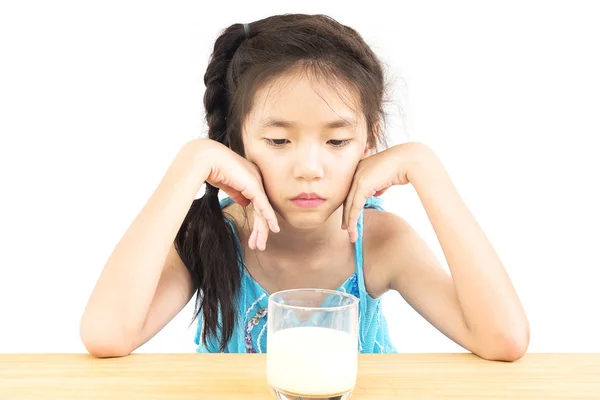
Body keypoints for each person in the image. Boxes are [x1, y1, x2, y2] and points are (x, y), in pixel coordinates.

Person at [80, 13, 529, 360]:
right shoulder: (212, 235)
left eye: (337, 141)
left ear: (369, 141)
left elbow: (503, 339)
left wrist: (426, 168)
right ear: (236, 144)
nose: (310, 168)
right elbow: (106, 334)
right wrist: (192, 163)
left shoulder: (379, 242)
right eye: (278, 141)